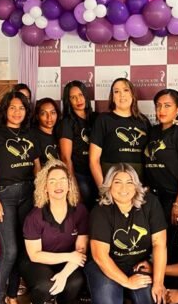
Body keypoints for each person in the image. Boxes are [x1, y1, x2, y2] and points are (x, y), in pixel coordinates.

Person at [0, 90, 41, 304]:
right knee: (9, 251)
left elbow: (37, 167)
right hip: (3, 195)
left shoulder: (30, 134)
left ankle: (12, 297)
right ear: (5, 109)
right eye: (12, 107)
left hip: (27, 195)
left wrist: (39, 196)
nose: (17, 112)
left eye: (21, 108)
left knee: (21, 250)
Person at [87, 163, 167, 304]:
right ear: (109, 185)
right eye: (117, 182)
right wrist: (127, 282)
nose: (124, 188)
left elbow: (159, 244)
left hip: (136, 265)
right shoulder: (101, 210)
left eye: (129, 182)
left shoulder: (150, 203)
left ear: (136, 186)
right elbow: (100, 256)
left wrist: (159, 282)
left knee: (151, 300)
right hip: (106, 265)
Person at [21, 160, 89, 304]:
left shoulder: (80, 211)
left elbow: (81, 250)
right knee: (46, 285)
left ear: (69, 185)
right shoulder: (35, 216)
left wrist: (64, 274)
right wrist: (69, 256)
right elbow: (35, 254)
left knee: (76, 281)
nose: (58, 185)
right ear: (45, 187)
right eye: (52, 181)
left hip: (68, 260)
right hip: (38, 261)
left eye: (62, 180)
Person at [142, 89, 178, 285]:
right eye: (158, 106)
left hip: (176, 198)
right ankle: (157, 291)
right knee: (157, 245)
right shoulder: (154, 131)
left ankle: (171, 293)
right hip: (156, 198)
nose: (161, 110)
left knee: (169, 245)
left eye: (167, 106)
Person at [90, 78, 149, 187]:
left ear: (133, 94)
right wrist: (103, 189)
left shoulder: (144, 121)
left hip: (138, 183)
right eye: (116, 91)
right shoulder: (103, 120)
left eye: (126, 90)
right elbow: (94, 160)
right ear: (112, 97)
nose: (122, 95)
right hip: (110, 181)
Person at [58, 80, 97, 209]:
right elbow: (65, 157)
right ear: (68, 101)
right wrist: (73, 184)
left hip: (98, 173)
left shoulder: (96, 118)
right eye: (73, 97)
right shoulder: (67, 122)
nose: (78, 100)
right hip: (80, 175)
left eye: (80, 95)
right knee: (84, 211)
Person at [33, 97, 60, 165]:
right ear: (37, 116)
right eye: (44, 113)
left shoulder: (61, 133)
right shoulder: (33, 136)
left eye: (53, 112)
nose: (49, 117)